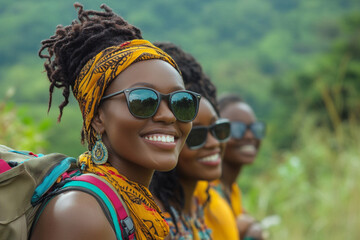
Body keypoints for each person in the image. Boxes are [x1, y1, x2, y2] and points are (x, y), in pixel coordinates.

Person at [30, 4, 201, 240]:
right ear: (98, 117)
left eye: (181, 101)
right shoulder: (81, 213)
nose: (168, 115)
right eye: (143, 100)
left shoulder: (134, 203)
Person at [150, 42, 239, 240]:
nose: (214, 143)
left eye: (218, 129)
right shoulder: (154, 223)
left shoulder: (201, 206)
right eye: (196, 135)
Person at [216, 94, 267, 240]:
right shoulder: (206, 194)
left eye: (255, 128)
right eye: (237, 129)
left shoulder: (232, 190)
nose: (250, 136)